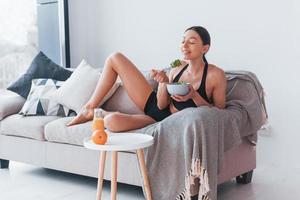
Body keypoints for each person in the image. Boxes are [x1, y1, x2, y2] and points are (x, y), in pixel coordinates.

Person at [67, 26, 227, 132]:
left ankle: (99, 113)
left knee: (111, 122)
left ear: (205, 48)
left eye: (191, 42)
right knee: (115, 58)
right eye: (182, 41)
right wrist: (163, 81)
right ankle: (89, 108)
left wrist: (194, 96)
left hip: (163, 121)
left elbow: (220, 113)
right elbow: (161, 104)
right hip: (155, 107)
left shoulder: (215, 75)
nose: (184, 45)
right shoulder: (177, 66)